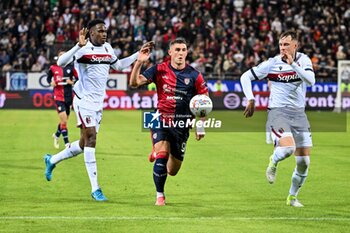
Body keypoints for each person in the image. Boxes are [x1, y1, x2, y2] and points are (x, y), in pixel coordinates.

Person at [43, 19, 154, 201]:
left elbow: (118, 66)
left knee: (82, 144)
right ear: (91, 33)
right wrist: (77, 45)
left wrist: (138, 55)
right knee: (92, 139)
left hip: (97, 103)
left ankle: (52, 160)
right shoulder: (83, 49)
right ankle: (95, 189)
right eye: (100, 31)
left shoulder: (108, 48)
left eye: (105, 31)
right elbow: (61, 63)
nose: (104, 33)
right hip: (83, 100)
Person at [129, 37, 209, 206]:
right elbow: (134, 83)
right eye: (177, 49)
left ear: (187, 52)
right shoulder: (159, 69)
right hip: (161, 118)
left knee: (172, 170)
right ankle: (160, 196)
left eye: (183, 50)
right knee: (163, 155)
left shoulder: (195, 75)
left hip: (182, 125)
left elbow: (204, 101)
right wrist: (139, 62)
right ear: (170, 52)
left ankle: (156, 150)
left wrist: (200, 125)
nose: (180, 53)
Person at [240, 30, 315, 207]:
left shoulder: (304, 60)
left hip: (299, 115)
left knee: (304, 161)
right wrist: (250, 98)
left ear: (295, 45)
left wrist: (293, 65)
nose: (282, 48)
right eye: (281, 45)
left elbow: (311, 81)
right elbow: (246, 76)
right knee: (289, 148)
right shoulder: (272, 63)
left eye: (286, 45)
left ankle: (292, 197)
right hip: (278, 113)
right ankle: (273, 160)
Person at [47, 51, 78, 149]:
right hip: (58, 97)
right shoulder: (53, 68)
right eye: (60, 55)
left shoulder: (71, 68)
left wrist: (72, 82)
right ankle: (67, 143)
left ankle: (56, 135)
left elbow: (78, 79)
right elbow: (48, 79)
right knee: (64, 121)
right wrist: (51, 82)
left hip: (68, 97)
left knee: (64, 121)